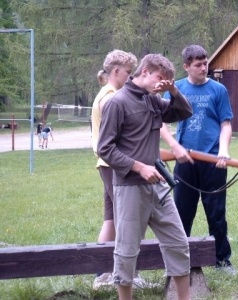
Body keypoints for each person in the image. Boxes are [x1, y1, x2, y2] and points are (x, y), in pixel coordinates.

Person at [97, 53, 193, 300]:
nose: (161, 84)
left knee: (179, 244)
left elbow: (183, 112)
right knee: (127, 251)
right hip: (130, 188)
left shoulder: (154, 101)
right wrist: (139, 167)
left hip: (159, 187)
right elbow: (104, 148)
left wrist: (172, 90)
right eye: (160, 78)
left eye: (167, 80)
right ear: (145, 71)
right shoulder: (117, 103)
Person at [161, 44, 235, 274]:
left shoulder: (218, 90)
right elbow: (159, 122)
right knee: (181, 214)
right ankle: (178, 263)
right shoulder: (176, 89)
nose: (204, 68)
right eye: (198, 65)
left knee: (216, 214)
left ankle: (222, 262)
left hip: (214, 161)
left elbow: (226, 124)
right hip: (184, 162)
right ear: (186, 67)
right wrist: (174, 146)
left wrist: (223, 150)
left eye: (206, 63)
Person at [91, 49, 139, 289]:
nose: (130, 78)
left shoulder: (107, 93)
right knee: (125, 220)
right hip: (114, 165)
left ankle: (101, 272)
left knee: (110, 219)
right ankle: (124, 273)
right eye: (129, 73)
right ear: (116, 71)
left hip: (107, 165)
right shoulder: (111, 98)